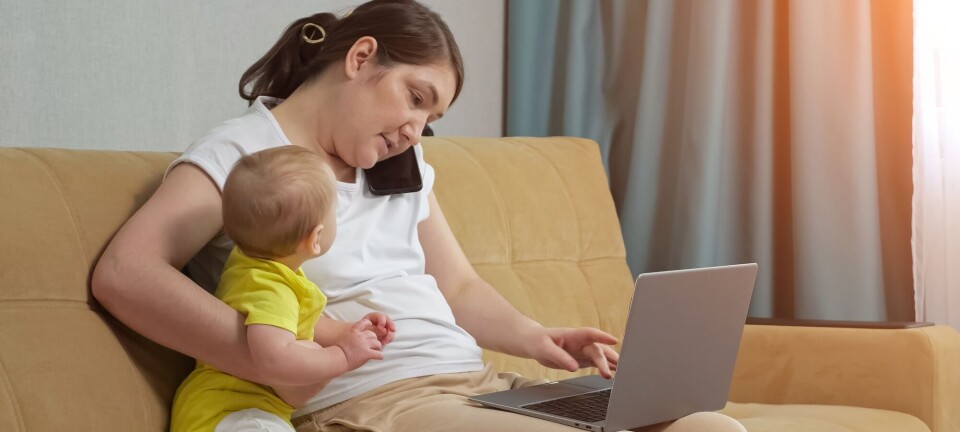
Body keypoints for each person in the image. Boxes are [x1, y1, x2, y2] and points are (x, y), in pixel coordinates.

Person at [92, 1, 747, 431]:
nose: (415, 128)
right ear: (360, 59)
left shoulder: (400, 166)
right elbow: (126, 272)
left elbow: (456, 285)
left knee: (710, 426)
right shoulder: (246, 156)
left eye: (430, 117)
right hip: (373, 399)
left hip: (477, 385)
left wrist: (538, 338)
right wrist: (273, 359)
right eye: (415, 97)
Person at [169, 146, 396, 432]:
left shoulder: (253, 264)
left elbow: (297, 324)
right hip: (232, 411)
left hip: (225, 411)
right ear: (316, 238)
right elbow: (273, 359)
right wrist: (343, 356)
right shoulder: (272, 290)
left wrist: (350, 332)